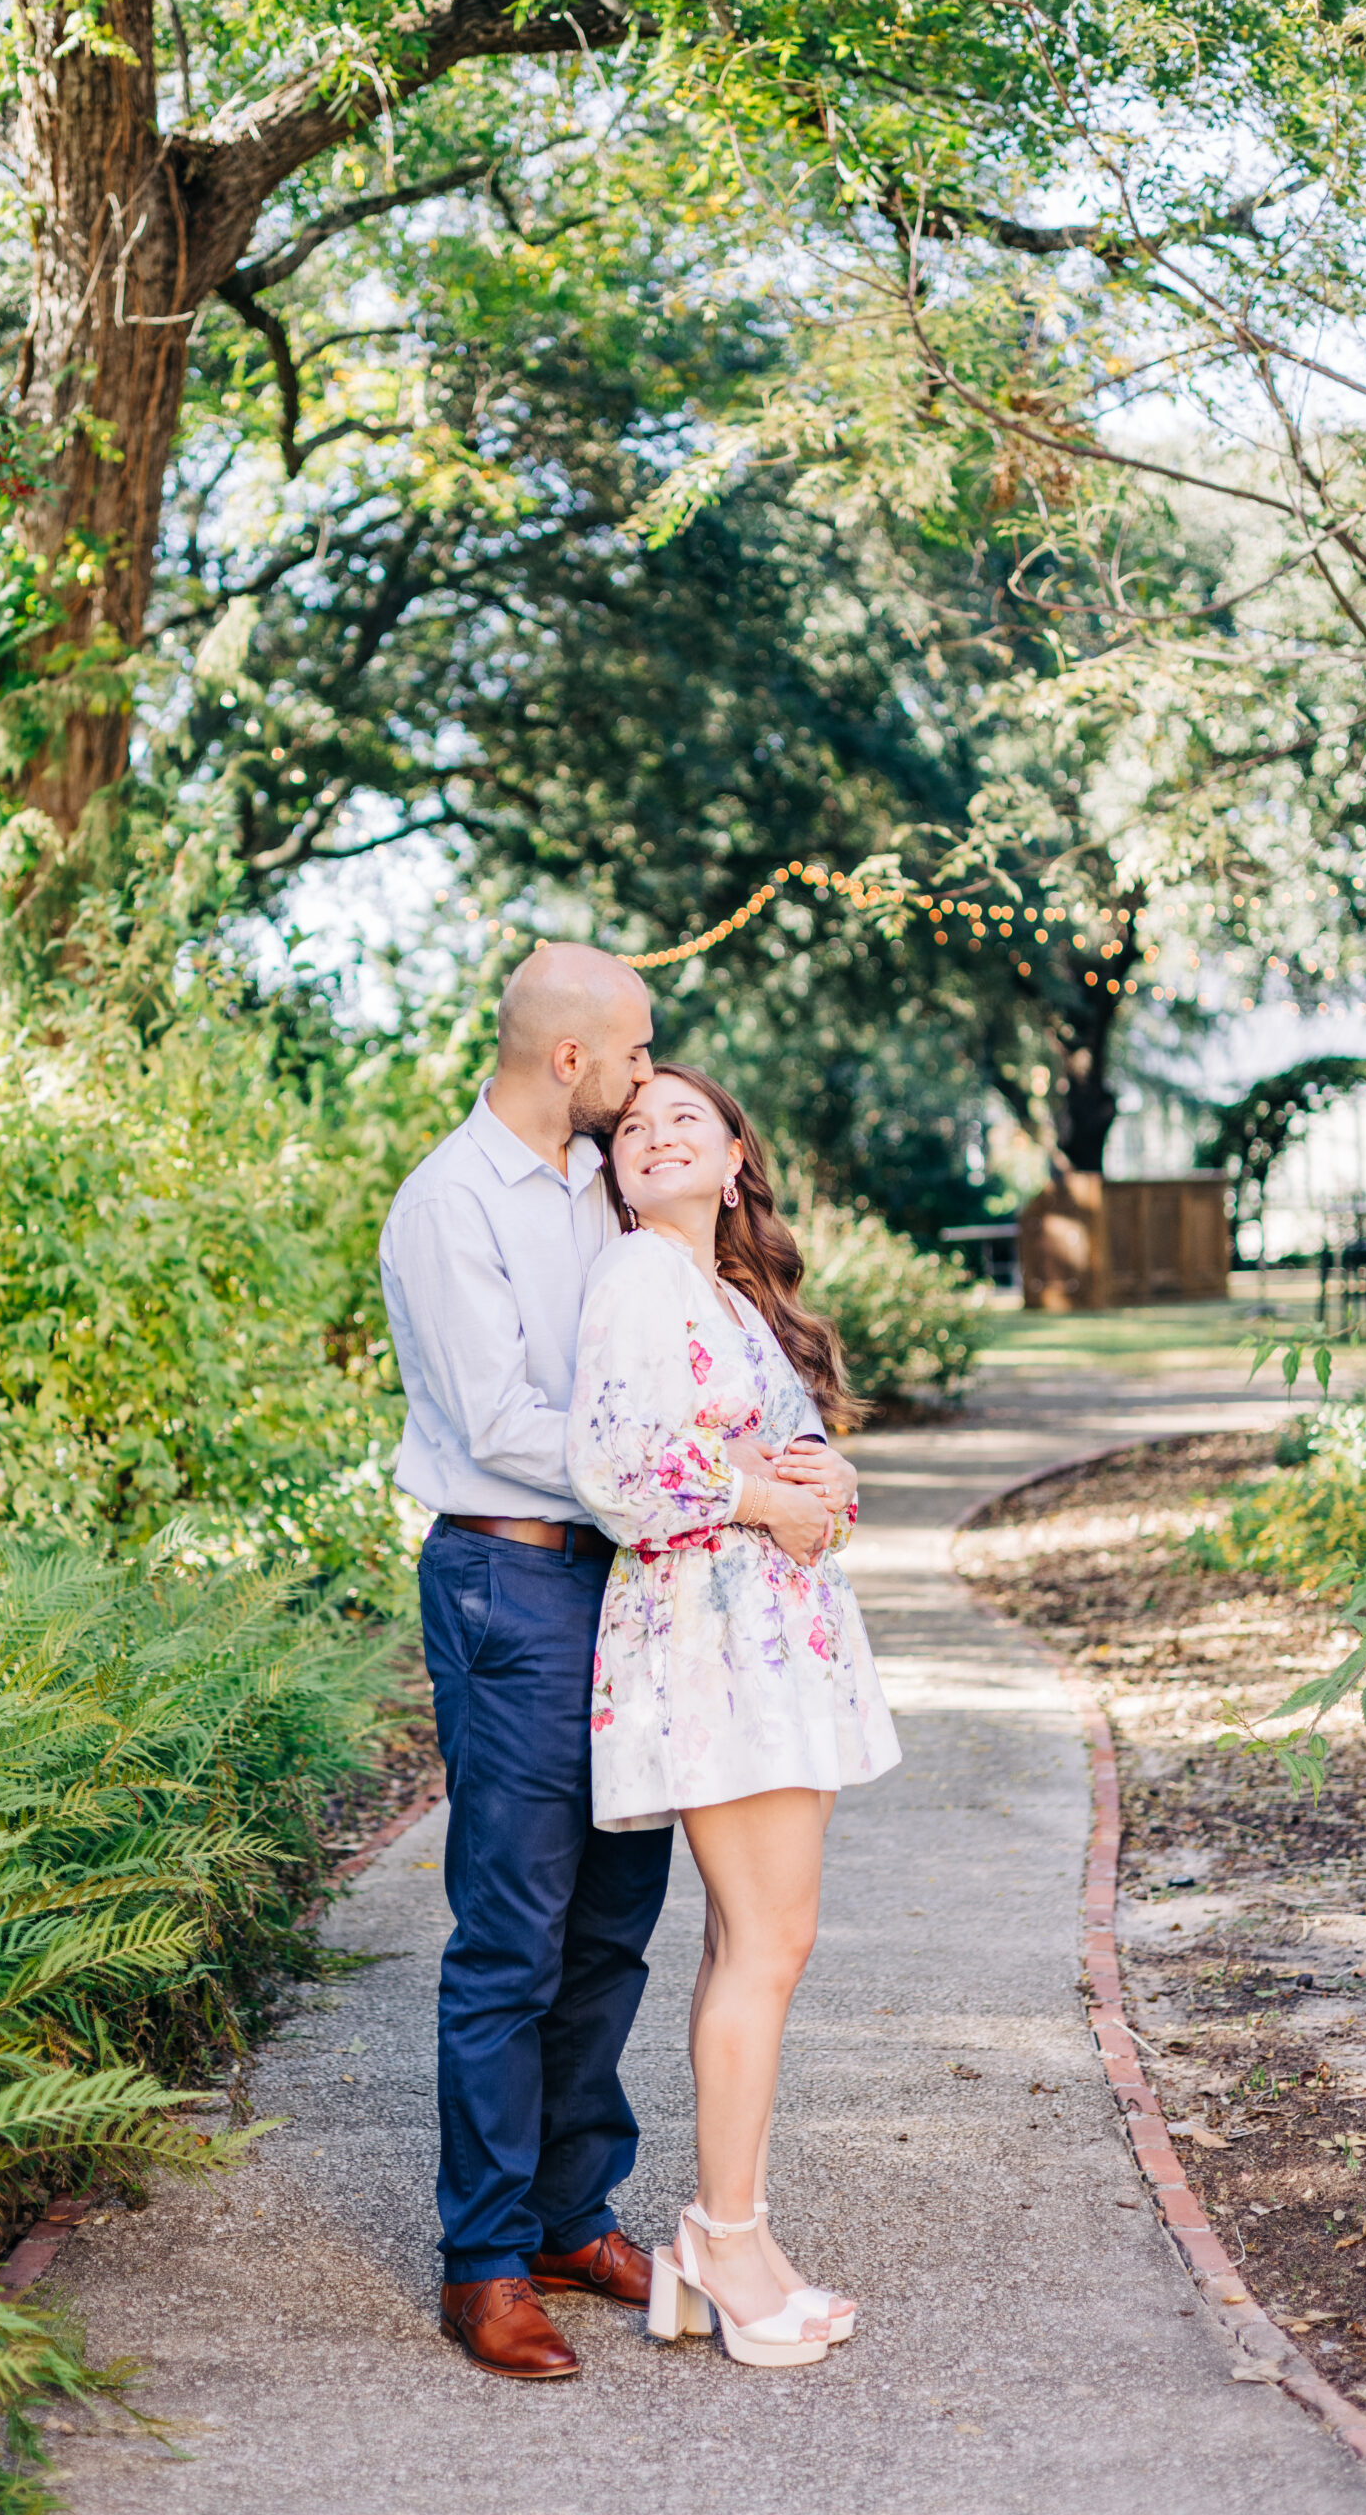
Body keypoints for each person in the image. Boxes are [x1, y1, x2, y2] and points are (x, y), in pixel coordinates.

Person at [378, 948, 858, 2380]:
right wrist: (718, 1481)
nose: (656, 1076)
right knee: (513, 1931)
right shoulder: (448, 1204)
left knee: (613, 1920)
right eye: (639, 1053)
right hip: (515, 1577)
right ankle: (482, 2259)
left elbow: (707, 1376)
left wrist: (776, 1465)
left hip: (641, 1595)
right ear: (575, 1059)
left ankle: (570, 2211)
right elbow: (526, 1424)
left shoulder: (615, 1193)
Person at [566, 1062, 901, 2369]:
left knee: (761, 1942)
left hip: (769, 1645)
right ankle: (724, 2242)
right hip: (707, 1650)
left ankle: (730, 2238)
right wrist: (764, 1494)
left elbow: (798, 1464)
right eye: (633, 1129)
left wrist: (827, 1478)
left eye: (682, 1121)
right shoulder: (638, 1276)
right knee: (766, 1945)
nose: (653, 1137)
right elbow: (618, 1465)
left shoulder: (726, 1295)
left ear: (735, 1155)